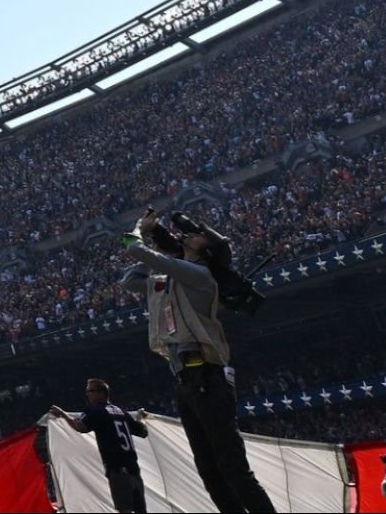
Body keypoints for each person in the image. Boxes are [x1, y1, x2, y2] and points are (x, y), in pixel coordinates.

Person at [126, 209, 274, 514]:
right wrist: (172, 249)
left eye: (195, 234)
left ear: (205, 249)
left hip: (207, 377)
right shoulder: (175, 277)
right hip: (186, 382)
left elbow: (134, 248)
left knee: (232, 467)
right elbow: (130, 280)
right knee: (209, 471)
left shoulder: (200, 275)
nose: (187, 233)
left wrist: (140, 228)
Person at [56, 378, 151, 513]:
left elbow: (80, 426)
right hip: (134, 471)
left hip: (118, 471)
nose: (87, 394)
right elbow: (143, 432)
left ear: (102, 393)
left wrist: (63, 414)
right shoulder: (120, 411)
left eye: (90, 391)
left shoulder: (96, 411)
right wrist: (140, 418)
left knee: (125, 510)